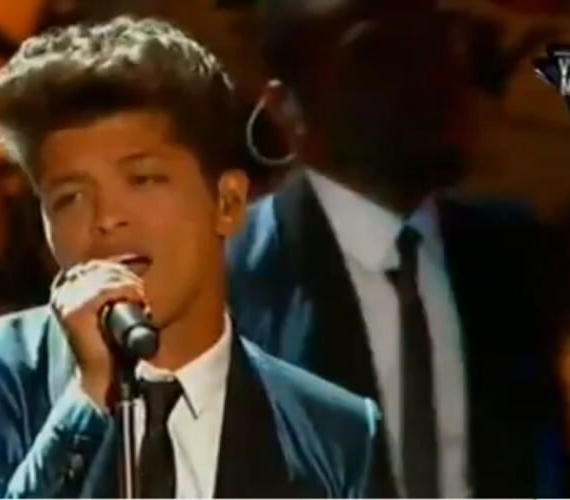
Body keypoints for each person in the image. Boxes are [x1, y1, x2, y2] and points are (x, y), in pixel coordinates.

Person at [0, 16, 378, 498]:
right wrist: (89, 397)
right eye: (70, 197)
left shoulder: (338, 433)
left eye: (143, 179)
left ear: (228, 203)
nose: (107, 218)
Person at [228, 0, 569, 497]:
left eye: (444, 39)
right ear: (286, 108)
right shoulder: (227, 281)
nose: (435, 73)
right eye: (381, 53)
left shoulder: (514, 258)